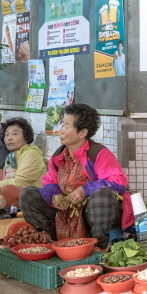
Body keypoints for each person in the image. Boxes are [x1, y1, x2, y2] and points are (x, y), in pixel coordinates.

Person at [20, 103, 133, 245]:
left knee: (102, 195)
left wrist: (84, 190)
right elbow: (49, 181)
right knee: (28, 194)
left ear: (82, 133)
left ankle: (98, 243)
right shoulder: (58, 155)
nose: (61, 130)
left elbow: (118, 183)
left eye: (66, 126)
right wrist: (54, 195)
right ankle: (50, 237)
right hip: (65, 213)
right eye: (62, 124)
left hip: (94, 214)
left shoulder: (98, 153)